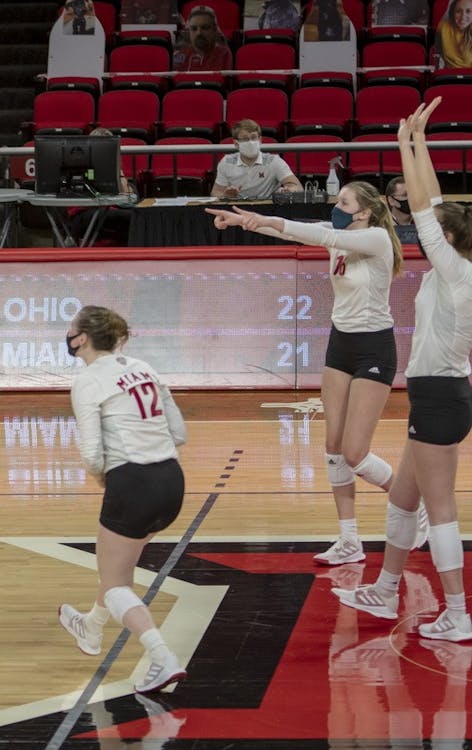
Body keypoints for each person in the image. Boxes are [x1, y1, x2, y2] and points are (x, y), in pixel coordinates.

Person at [206, 181, 428, 567]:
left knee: (356, 454)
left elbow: (311, 231)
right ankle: (349, 540)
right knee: (334, 450)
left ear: (364, 212)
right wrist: (248, 223)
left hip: (374, 347)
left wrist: (262, 219)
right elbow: (302, 229)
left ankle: (413, 503)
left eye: (343, 202)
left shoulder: (376, 237)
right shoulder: (338, 238)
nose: (336, 207)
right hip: (340, 344)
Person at [331, 97, 472, 643]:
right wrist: (414, 142)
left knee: (440, 511)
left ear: (450, 240)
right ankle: (386, 590)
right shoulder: (458, 264)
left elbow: (422, 207)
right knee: (402, 499)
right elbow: (432, 201)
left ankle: (458, 611)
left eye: (438, 229)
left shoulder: (456, 271)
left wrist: (407, 146)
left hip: (441, 399)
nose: (426, 228)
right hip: (440, 396)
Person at [56, 305, 188, 694]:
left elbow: (92, 453)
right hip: (172, 480)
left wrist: (102, 476)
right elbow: (178, 431)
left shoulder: (87, 381)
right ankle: (91, 629)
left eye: (71, 330)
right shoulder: (145, 368)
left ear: (82, 339)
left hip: (134, 483)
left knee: (114, 583)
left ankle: (163, 659)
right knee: (118, 570)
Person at [66, 127, 135, 246]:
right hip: (84, 214)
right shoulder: (80, 167)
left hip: (109, 212)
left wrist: (118, 169)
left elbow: (129, 199)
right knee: (126, 216)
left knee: (136, 215)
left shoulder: (115, 172)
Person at [210, 119, 303, 200]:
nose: (250, 142)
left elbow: (298, 187)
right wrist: (225, 196)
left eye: (254, 138)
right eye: (245, 139)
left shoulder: (274, 161)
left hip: (267, 211)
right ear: (236, 143)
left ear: (260, 140)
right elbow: (215, 193)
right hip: (237, 210)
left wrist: (289, 190)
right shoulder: (226, 162)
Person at [173, 6, 233, 72]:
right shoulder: (180, 55)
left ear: (214, 30)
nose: (199, 33)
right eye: (194, 29)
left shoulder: (224, 54)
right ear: (188, 32)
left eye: (205, 28)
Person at [435, 0, 472, 69]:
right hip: (449, 76)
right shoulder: (443, 27)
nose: (463, 16)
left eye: (468, 11)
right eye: (458, 11)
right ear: (453, 13)